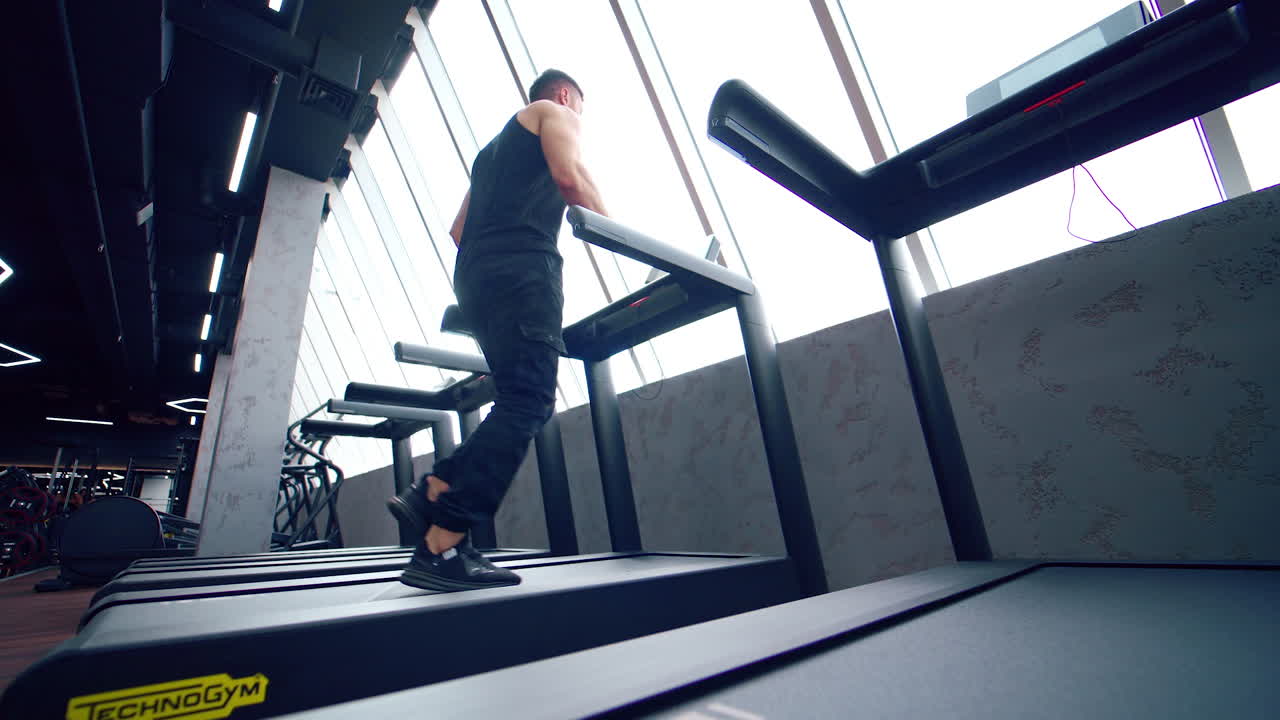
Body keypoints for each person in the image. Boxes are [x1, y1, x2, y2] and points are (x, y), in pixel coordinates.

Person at [387, 69, 608, 591]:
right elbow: (570, 178)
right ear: (564, 95)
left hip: (476, 280)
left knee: (517, 397)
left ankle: (439, 518)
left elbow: (458, 230)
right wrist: (618, 232)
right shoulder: (554, 113)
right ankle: (439, 514)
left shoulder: (491, 154)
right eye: (581, 107)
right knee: (530, 400)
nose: (579, 118)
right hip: (523, 271)